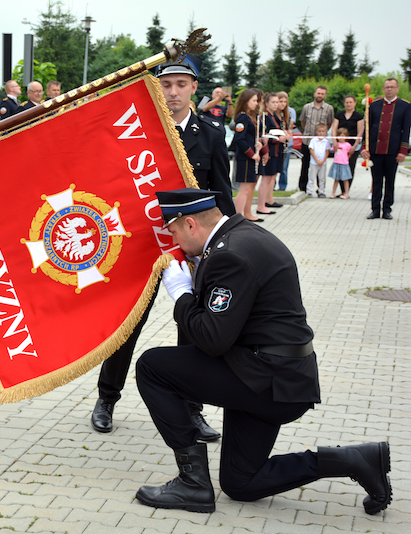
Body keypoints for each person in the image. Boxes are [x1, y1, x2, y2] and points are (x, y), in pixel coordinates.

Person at [133, 188, 392, 515]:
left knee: (152, 367)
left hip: (266, 379)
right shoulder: (242, 236)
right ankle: (357, 459)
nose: (174, 242)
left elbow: (212, 339)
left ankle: (192, 482)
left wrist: (182, 295)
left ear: (190, 224)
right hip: (276, 375)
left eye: (173, 232)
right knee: (241, 482)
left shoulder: (229, 255)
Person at [89, 55, 228, 441]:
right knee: (129, 325)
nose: (173, 92)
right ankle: (106, 399)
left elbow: (223, 195)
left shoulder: (212, 133)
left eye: (181, 84)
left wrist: (228, 243)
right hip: (143, 247)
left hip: (193, 249)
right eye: (166, 84)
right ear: (157, 87)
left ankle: (192, 410)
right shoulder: (137, 130)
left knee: (194, 330)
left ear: (194, 88)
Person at [361, 78, 410, 220]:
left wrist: (403, 151)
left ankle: (387, 209)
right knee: (376, 180)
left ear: (397, 89)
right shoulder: (374, 106)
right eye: (387, 87)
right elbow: (367, 128)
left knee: (390, 181)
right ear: (383, 89)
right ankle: (375, 209)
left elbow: (406, 130)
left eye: (392, 87)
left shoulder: (405, 106)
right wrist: (364, 147)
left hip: (393, 150)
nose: (389, 89)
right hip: (376, 149)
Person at [232, 88, 264, 222]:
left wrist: (260, 144)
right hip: (245, 158)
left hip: (251, 157)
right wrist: (251, 154)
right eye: (254, 101)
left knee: (251, 186)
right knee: (244, 189)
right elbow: (239, 139)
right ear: (246, 101)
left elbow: (253, 136)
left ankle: (247, 213)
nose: (256, 103)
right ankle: (237, 217)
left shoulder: (252, 117)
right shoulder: (242, 117)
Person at [298, 86, 334, 193]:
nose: (320, 95)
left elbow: (329, 123)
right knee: (305, 164)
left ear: (325, 95)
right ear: (315, 94)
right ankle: (303, 188)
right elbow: (303, 122)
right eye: (318, 93)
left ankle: (320, 189)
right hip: (308, 141)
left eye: (322, 94)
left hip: (321, 143)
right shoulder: (307, 107)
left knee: (320, 166)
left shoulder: (329, 108)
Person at [256, 93, 287, 215]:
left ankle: (267, 201)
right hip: (269, 150)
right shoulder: (265, 117)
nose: (276, 104)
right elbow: (264, 136)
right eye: (273, 102)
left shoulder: (274, 116)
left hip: (276, 151)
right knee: (266, 178)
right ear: (267, 103)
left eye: (277, 102)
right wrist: (278, 139)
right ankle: (261, 206)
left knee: (271, 178)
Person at [331, 94, 364, 192]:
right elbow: (334, 129)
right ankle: (341, 190)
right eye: (347, 102)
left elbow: (360, 132)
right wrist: (334, 141)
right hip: (340, 146)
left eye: (350, 102)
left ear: (354, 103)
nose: (348, 104)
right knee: (340, 166)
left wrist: (355, 145)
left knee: (350, 167)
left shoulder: (358, 116)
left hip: (351, 146)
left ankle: (346, 191)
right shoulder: (339, 115)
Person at [276, 91, 295, 191]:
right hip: (275, 143)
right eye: (280, 101)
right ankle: (272, 187)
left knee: (284, 168)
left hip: (285, 144)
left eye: (284, 102)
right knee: (274, 168)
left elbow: (289, 128)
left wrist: (288, 134)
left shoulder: (288, 114)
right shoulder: (272, 115)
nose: (282, 104)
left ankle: (282, 187)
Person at [329, 128, 353, 199]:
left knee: (345, 179)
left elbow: (350, 153)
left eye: (343, 135)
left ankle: (346, 193)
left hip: (344, 164)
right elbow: (333, 150)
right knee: (336, 179)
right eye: (340, 135)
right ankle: (333, 193)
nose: (341, 137)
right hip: (336, 163)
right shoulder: (336, 144)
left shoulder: (348, 145)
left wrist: (346, 159)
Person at [307, 124, 330, 198]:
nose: (321, 133)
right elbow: (311, 150)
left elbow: (327, 152)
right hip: (314, 162)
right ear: (316, 131)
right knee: (312, 177)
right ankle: (309, 191)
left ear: (325, 132)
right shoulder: (313, 140)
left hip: (323, 163)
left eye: (323, 131)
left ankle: (321, 191)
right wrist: (317, 160)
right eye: (319, 131)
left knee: (322, 178)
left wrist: (323, 160)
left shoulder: (326, 141)